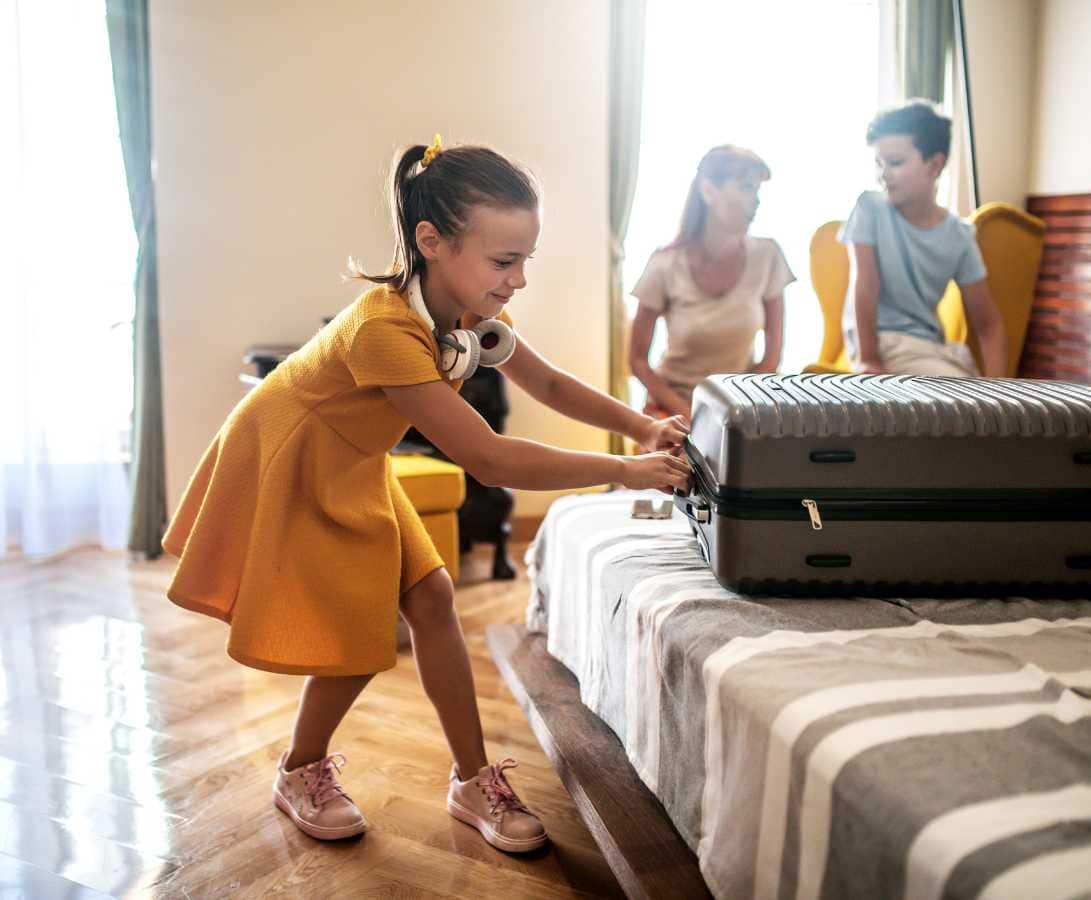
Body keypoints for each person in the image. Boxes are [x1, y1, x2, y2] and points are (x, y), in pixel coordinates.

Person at [162, 136, 690, 852]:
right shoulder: (387, 329)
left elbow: (551, 384)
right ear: (431, 241)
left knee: (433, 599)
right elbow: (486, 456)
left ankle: (472, 779)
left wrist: (642, 426)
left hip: (352, 459)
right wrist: (624, 471)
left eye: (525, 259)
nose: (520, 280)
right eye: (506, 261)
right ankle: (299, 770)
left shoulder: (467, 313)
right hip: (291, 464)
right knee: (358, 635)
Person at [840, 100, 1006, 377]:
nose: (884, 174)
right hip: (882, 341)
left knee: (981, 408)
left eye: (895, 162)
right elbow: (865, 285)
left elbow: (989, 324)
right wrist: (868, 358)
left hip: (930, 347)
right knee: (960, 405)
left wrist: (1001, 389)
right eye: (879, 163)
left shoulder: (959, 236)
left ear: (935, 165)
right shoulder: (870, 209)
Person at [628, 145, 795, 419]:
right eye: (746, 187)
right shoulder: (665, 263)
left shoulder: (769, 255)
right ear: (708, 191)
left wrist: (735, 412)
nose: (756, 200)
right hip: (674, 407)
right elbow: (637, 360)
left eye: (757, 190)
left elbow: (771, 359)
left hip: (739, 407)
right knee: (678, 462)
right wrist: (687, 413)